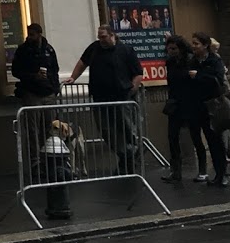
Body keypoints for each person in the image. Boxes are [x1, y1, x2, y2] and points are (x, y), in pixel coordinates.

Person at [68, 22, 144, 173]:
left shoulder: (126, 50)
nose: (101, 40)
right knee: (107, 131)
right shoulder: (94, 48)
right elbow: (82, 62)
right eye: (99, 37)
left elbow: (138, 73)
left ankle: (132, 159)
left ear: (112, 35)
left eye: (104, 37)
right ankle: (124, 156)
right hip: (100, 98)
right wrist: (73, 77)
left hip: (122, 97)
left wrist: (132, 91)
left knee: (128, 129)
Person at [187, 32, 230, 187]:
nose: (193, 46)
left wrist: (198, 75)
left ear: (205, 45)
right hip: (198, 105)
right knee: (209, 140)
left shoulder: (214, 60)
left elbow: (217, 79)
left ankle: (223, 173)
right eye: (192, 43)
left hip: (214, 104)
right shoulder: (193, 61)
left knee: (217, 140)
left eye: (196, 43)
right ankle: (217, 174)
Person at [161, 34, 206, 183]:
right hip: (175, 103)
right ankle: (176, 171)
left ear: (180, 48)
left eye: (174, 48)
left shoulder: (190, 61)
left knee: (196, 137)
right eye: (169, 49)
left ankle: (203, 170)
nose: (171, 51)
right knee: (172, 137)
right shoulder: (170, 62)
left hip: (190, 102)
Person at [11, 22, 60, 103]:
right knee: (34, 114)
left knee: (50, 115)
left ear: (39, 34)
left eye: (32, 35)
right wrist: (34, 76)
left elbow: (55, 69)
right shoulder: (23, 50)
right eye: (29, 34)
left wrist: (55, 88)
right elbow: (16, 71)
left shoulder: (49, 49)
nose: (29, 37)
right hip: (31, 92)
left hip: (48, 92)